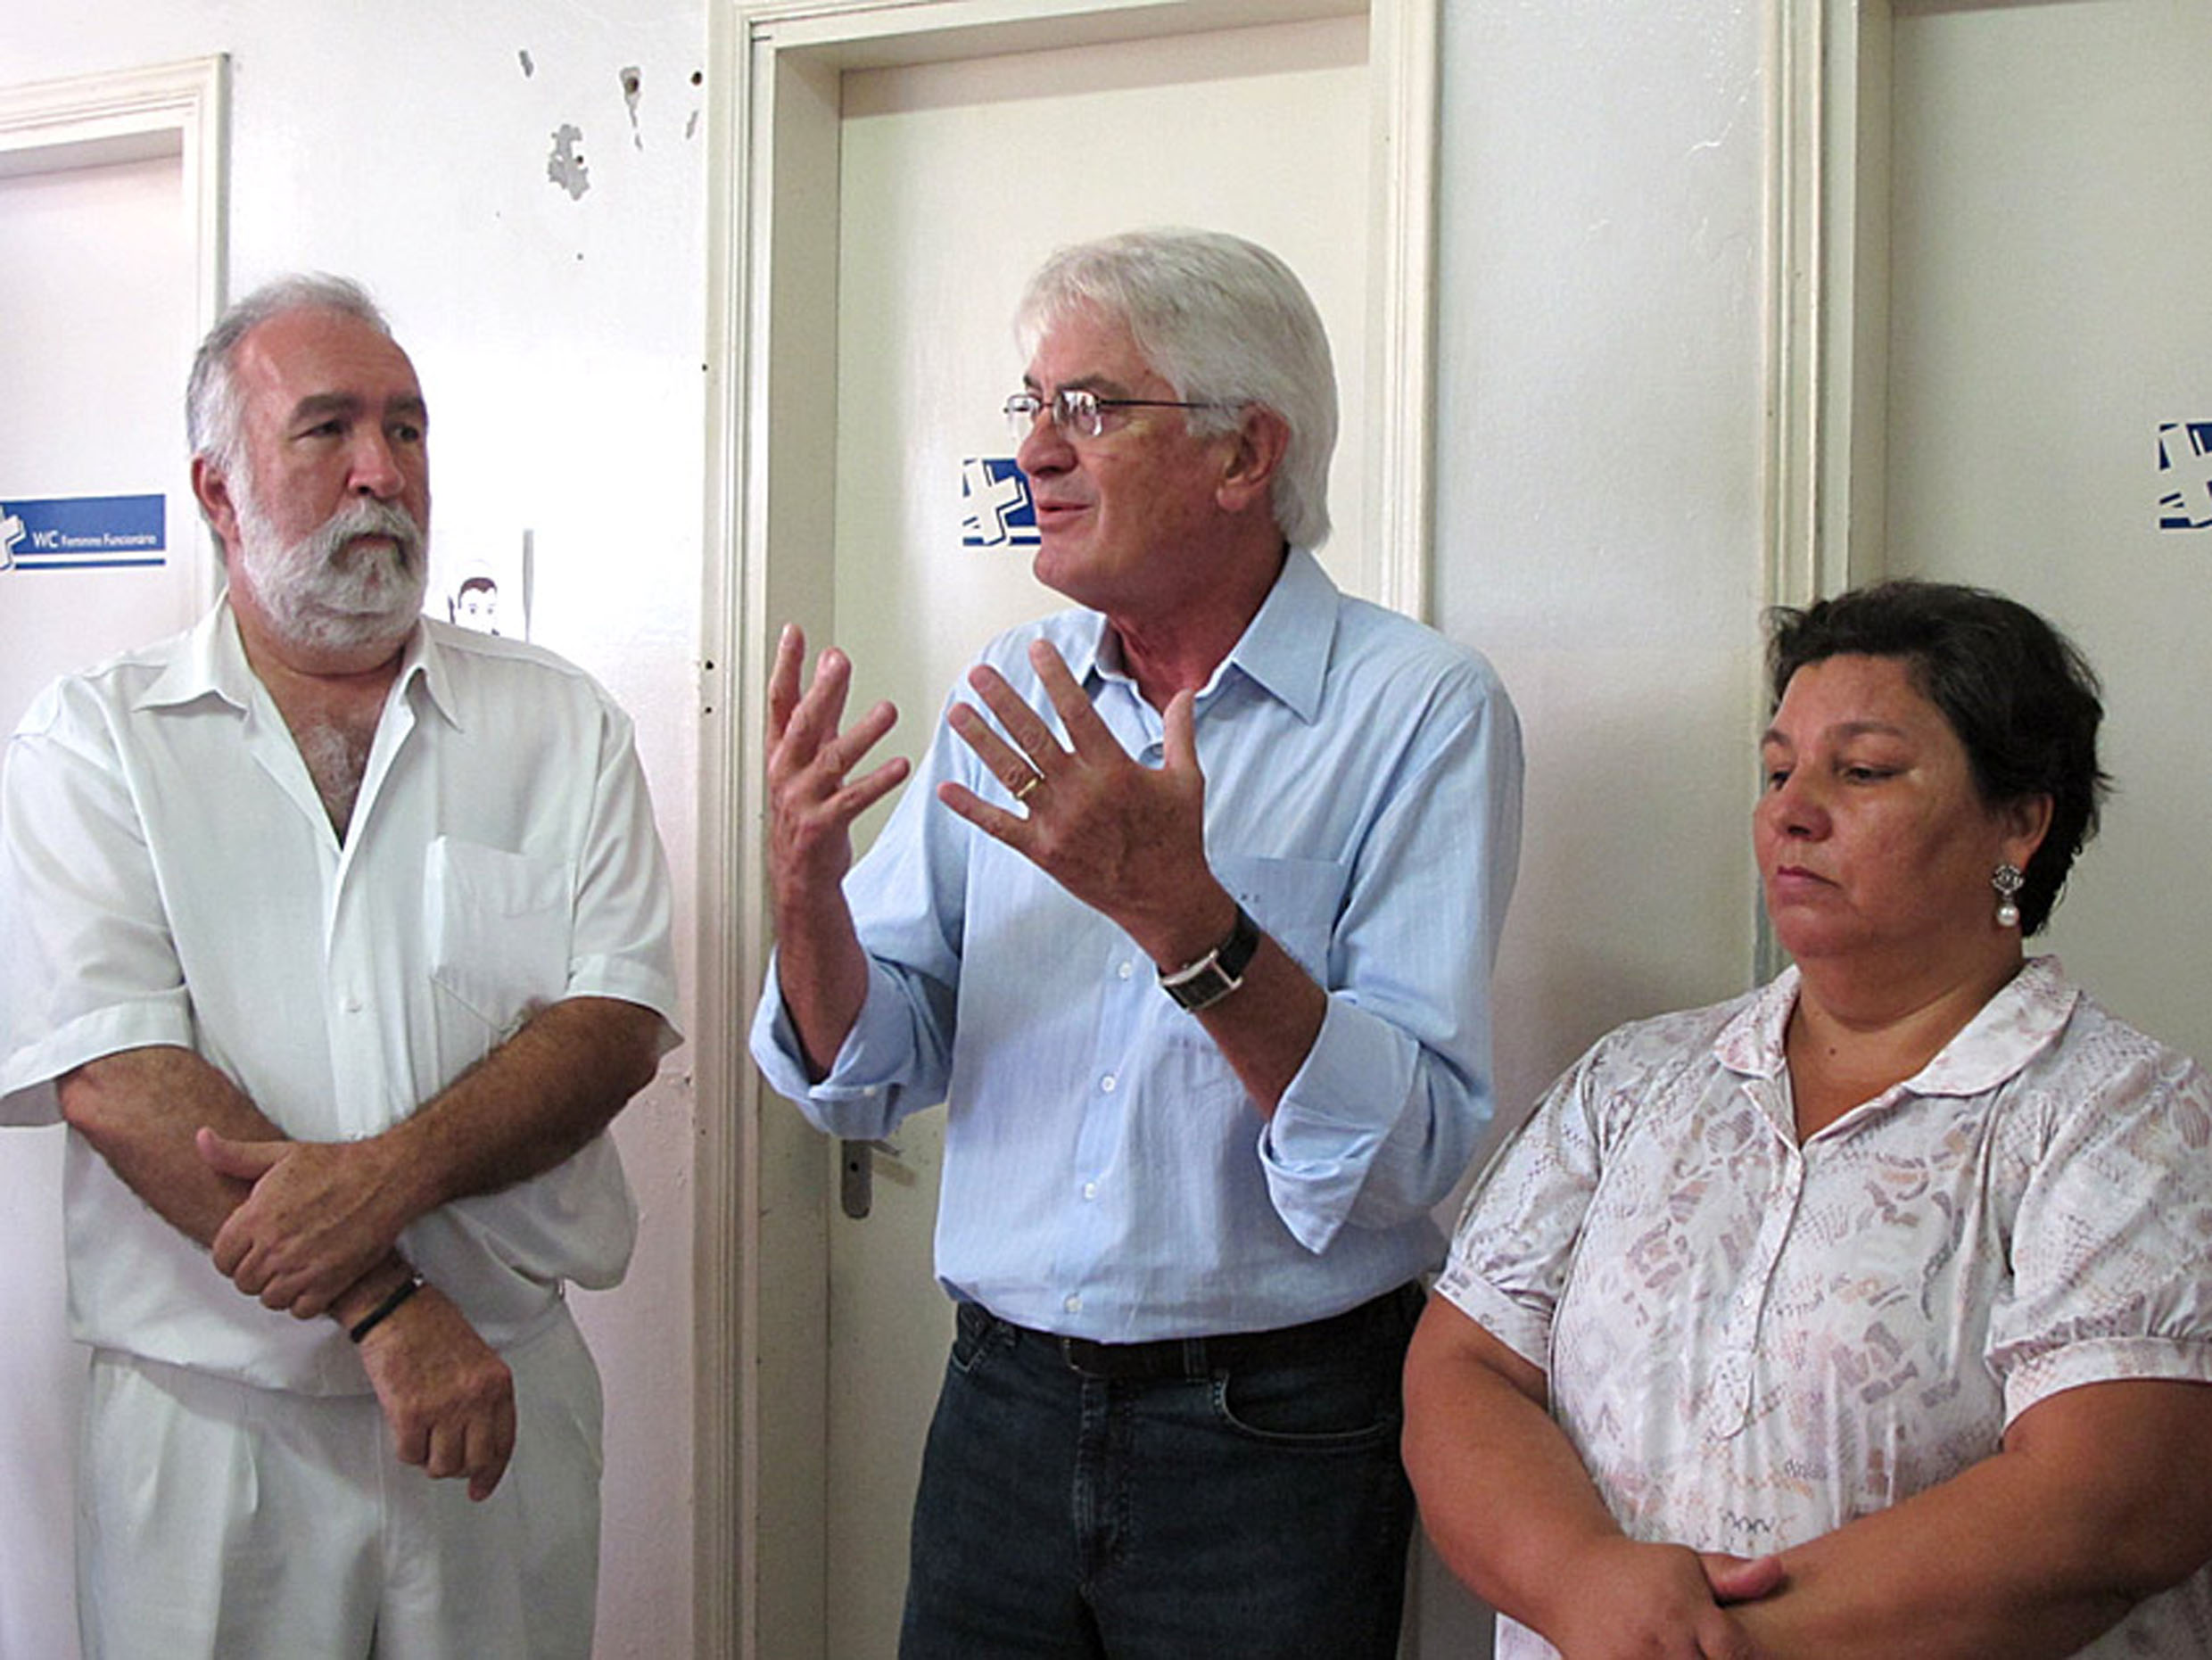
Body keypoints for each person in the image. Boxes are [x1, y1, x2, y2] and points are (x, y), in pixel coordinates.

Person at [750, 227, 1523, 1657]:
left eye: (1090, 408)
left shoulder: (1421, 709)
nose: (1036, 451)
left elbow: (1407, 1154)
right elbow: (871, 1061)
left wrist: (1189, 920)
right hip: (1000, 1411)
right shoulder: (1012, 682)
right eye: (1031, 405)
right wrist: (804, 891)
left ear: (1244, 454)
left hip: (1274, 1436)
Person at [0, 274, 680, 1659]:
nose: (383, 470)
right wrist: (384, 1302)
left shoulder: (561, 727)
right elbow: (116, 1076)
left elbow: (612, 1024)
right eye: (329, 430)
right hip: (216, 1435)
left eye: (407, 429)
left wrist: (386, 1178)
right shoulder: (94, 742)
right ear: (217, 486)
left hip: (499, 1408)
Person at [1403, 580, 2212, 1658]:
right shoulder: (1633, 1081)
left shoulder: (2121, 1118)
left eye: (1861, 771)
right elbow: (1463, 1369)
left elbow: (2109, 1504)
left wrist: (1695, 1642)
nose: (1790, 810)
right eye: (1778, 770)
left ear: (2019, 820)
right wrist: (1578, 1581)